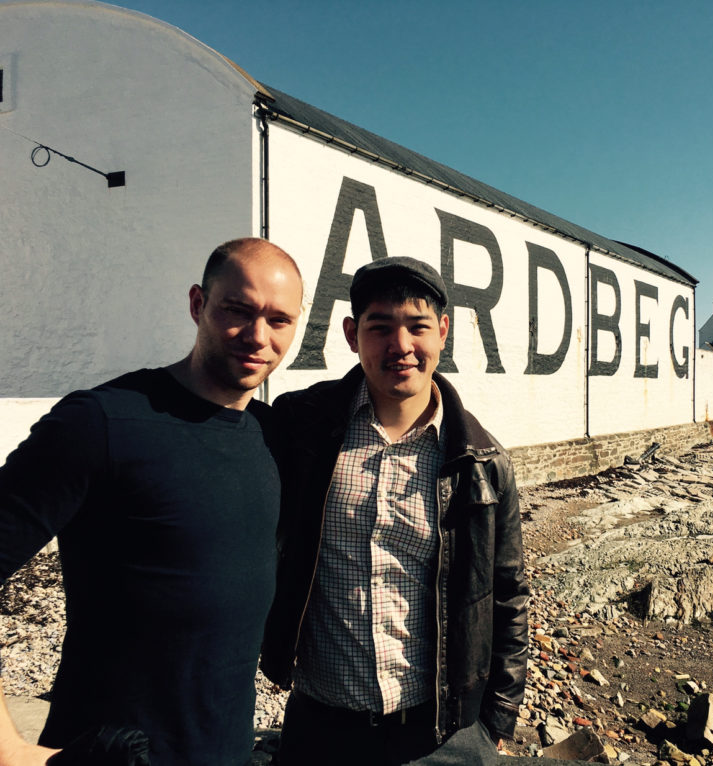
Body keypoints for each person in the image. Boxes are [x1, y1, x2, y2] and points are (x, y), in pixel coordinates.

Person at [0, 238, 304, 766]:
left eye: (279, 320)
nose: (259, 336)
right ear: (197, 304)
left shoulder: (271, 436)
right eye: (238, 310)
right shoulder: (101, 423)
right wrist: (11, 751)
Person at [262, 257, 529, 765]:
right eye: (380, 327)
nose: (400, 345)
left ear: (443, 332)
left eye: (417, 327)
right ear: (352, 334)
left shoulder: (483, 462)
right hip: (320, 725)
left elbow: (508, 594)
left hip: (440, 734)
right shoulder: (301, 429)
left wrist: (497, 718)